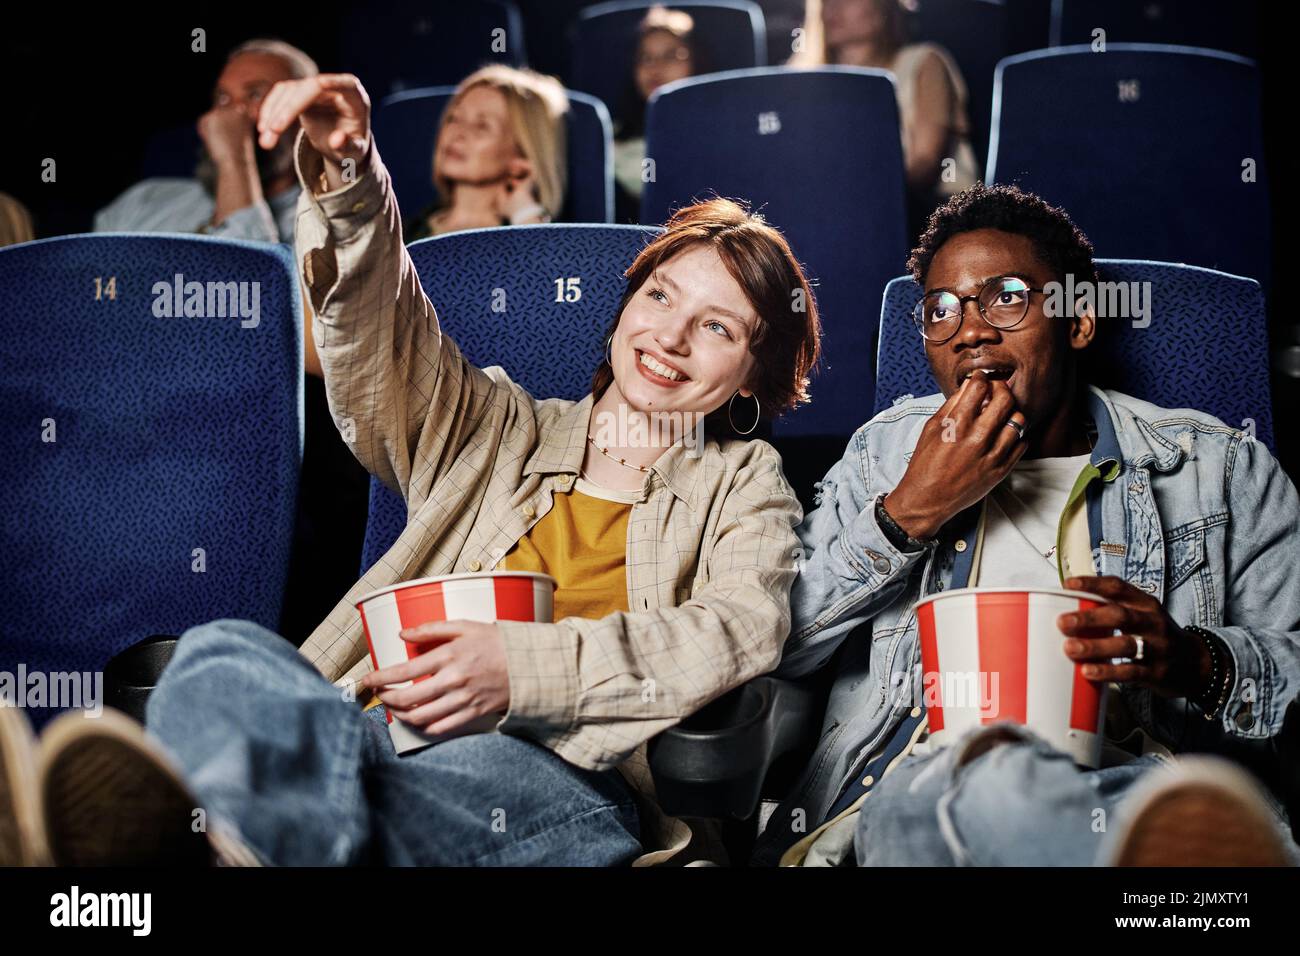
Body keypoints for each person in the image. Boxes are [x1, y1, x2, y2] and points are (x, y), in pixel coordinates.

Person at [0, 71, 822, 868]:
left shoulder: (743, 484)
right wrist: (352, 178)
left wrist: (519, 672)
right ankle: (274, 834)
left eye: (718, 328)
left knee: (460, 778)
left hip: (557, 773)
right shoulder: (499, 425)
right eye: (661, 297)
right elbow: (385, 335)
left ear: (753, 374)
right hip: (363, 735)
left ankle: (232, 841)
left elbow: (733, 631)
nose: (671, 337)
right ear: (628, 304)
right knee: (219, 656)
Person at [752, 183, 1300, 867]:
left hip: (1128, 787)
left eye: (1007, 297)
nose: (970, 330)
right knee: (961, 780)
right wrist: (906, 514)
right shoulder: (884, 453)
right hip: (904, 799)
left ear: (1077, 323)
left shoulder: (1220, 470)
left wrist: (1194, 662)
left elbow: (1292, 677)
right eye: (941, 310)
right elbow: (772, 642)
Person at [94, 38, 317, 243]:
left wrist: (234, 159)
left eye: (255, 94)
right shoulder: (142, 201)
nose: (229, 113)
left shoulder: (327, 226)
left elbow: (250, 282)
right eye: (222, 97)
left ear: (305, 117)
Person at [791, 0, 978, 234]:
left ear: (884, 8)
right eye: (825, 1)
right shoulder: (804, 82)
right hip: (839, 214)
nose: (832, 7)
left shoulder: (924, 61)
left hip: (927, 214)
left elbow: (924, 164)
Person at [404, 65, 568, 242]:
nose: (458, 133)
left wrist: (524, 213)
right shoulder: (399, 232)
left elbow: (545, 266)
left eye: (482, 126)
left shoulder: (528, 230)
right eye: (454, 118)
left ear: (522, 156)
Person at [613, 6, 698, 224]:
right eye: (645, 57)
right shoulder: (610, 136)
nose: (655, 67)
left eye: (671, 55)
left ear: (697, 62)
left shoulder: (722, 132)